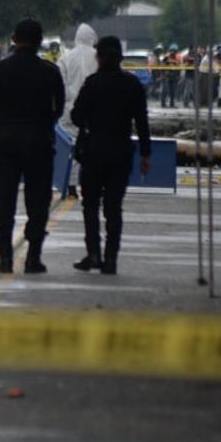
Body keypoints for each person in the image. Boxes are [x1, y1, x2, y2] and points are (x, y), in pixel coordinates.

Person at [0, 18, 65, 273]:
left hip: (6, 143)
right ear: (40, 41)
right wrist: (41, 125)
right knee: (39, 202)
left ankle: (5, 258)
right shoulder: (50, 71)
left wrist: (6, 124)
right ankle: (33, 257)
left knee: (4, 202)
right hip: (39, 143)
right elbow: (59, 108)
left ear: (13, 38)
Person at [71, 36, 151, 275]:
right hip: (120, 153)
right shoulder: (133, 85)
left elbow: (76, 116)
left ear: (99, 58)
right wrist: (146, 154)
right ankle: (111, 259)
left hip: (93, 152)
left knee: (91, 206)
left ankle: (93, 252)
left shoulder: (92, 84)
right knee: (114, 208)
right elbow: (142, 123)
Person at [56, 23, 98, 199]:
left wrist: (68, 101)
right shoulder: (98, 57)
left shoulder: (66, 58)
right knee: (93, 149)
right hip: (93, 111)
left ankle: (71, 186)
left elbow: (60, 85)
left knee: (71, 149)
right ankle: (93, 186)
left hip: (69, 111)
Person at [161, 43, 181, 108]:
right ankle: (163, 103)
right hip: (167, 76)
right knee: (165, 90)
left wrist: (178, 76)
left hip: (174, 76)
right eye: (172, 50)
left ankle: (172, 104)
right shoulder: (166, 57)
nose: (173, 52)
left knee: (173, 91)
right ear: (170, 50)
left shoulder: (177, 58)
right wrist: (164, 74)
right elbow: (161, 66)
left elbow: (179, 68)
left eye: (175, 51)